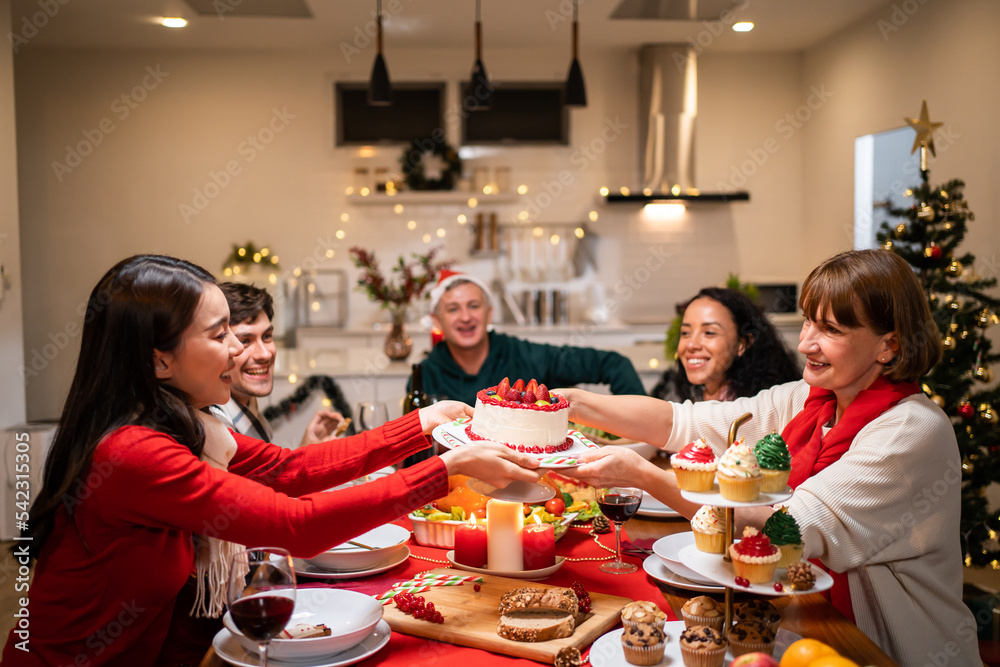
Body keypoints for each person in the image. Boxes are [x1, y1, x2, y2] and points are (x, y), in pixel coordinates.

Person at [4, 255, 542, 665]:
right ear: (159, 360)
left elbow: (292, 471)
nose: (241, 352)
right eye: (220, 336)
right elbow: (296, 525)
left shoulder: (188, 423)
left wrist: (423, 423)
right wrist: (449, 469)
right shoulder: (136, 452)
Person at [558, 249, 979, 666]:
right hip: (810, 622)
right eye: (808, 320)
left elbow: (783, 530)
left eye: (830, 329)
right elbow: (687, 422)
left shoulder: (910, 431)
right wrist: (576, 405)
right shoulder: (808, 399)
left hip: (885, 651)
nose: (805, 342)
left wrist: (642, 475)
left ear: (889, 345)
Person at [418, 272, 645, 406]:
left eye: (474, 306)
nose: (466, 317)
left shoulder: (524, 355)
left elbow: (613, 364)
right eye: (453, 309)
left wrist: (638, 427)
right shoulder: (425, 374)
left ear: (489, 313)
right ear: (437, 321)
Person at [208, 282, 344, 447]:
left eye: (267, 336)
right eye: (244, 341)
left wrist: (308, 448)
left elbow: (263, 474)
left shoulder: (249, 411)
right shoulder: (216, 427)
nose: (265, 354)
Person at [649, 287, 800, 402]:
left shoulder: (759, 407)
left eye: (709, 333)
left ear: (742, 344)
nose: (691, 345)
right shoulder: (682, 395)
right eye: (685, 333)